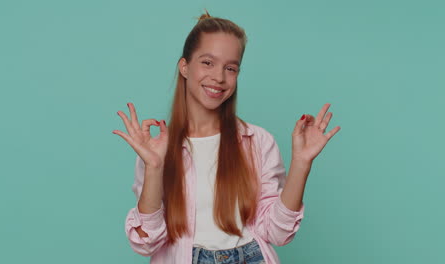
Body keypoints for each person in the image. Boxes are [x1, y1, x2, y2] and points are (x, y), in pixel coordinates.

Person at [113, 10, 341, 264]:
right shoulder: (156, 150)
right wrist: (153, 167)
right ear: (185, 67)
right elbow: (147, 243)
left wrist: (301, 163)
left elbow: (277, 233)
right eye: (207, 63)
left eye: (230, 68)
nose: (219, 77)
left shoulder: (258, 142)